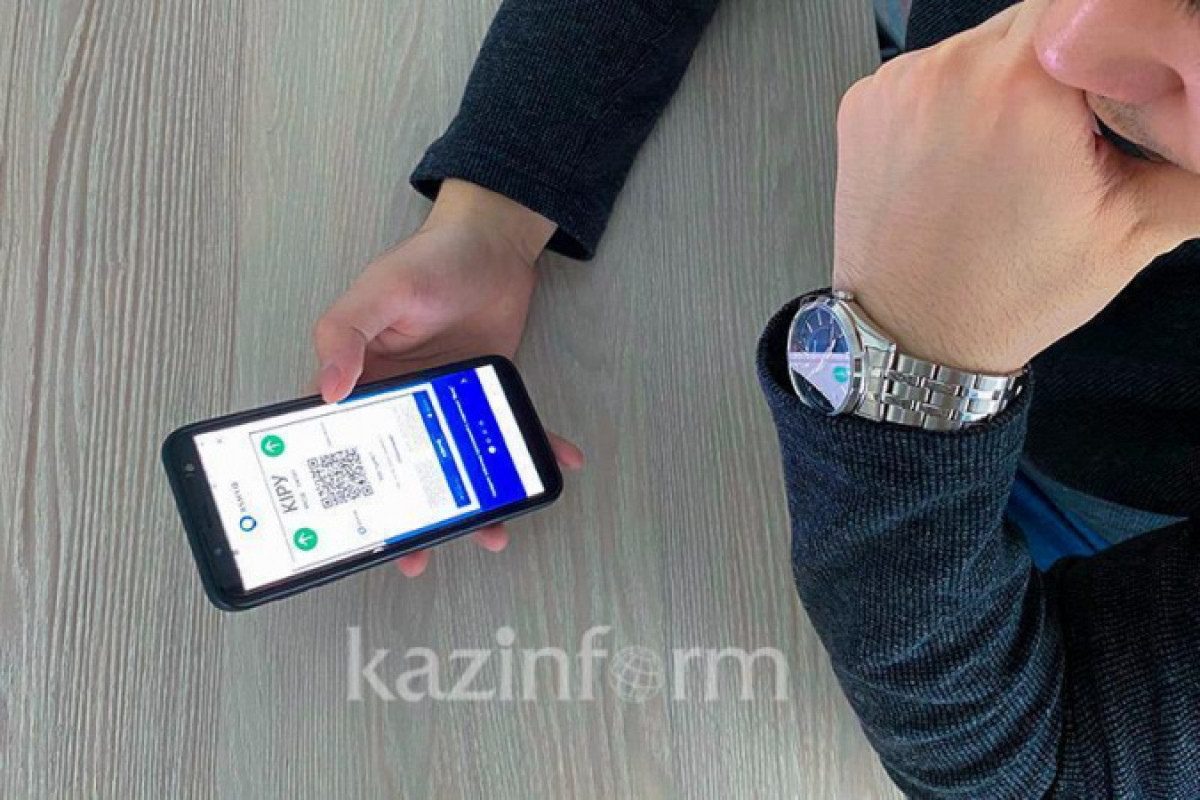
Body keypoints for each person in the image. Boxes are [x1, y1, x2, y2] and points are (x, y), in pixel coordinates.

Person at [311, 0, 1200, 795]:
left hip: (1097, 523)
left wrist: (910, 368)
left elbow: (1033, 767)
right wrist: (494, 215)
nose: (1065, 37)